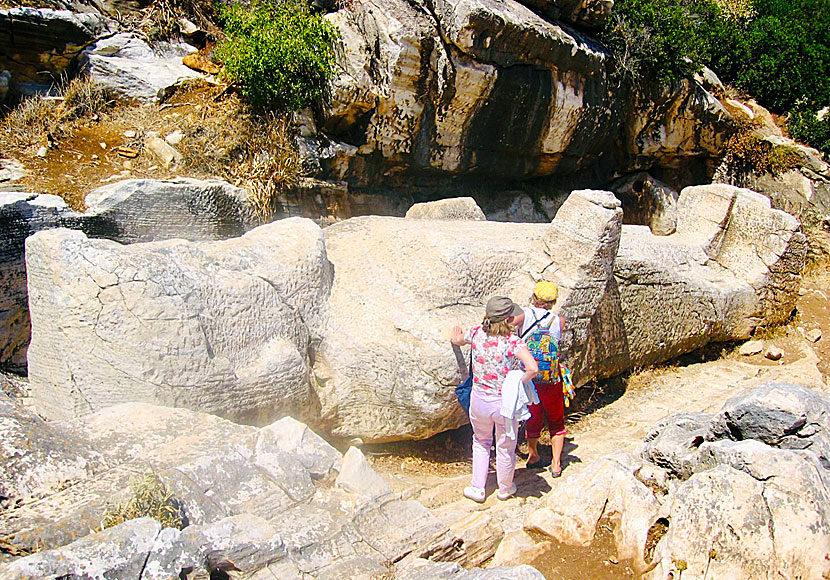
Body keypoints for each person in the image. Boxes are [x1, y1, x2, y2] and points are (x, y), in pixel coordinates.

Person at [451, 296, 538, 502]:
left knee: (481, 441)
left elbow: (458, 340)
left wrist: (455, 336)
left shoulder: (476, 333)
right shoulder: (513, 342)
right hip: (503, 403)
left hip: (479, 400)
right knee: (505, 446)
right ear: (509, 319)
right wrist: (518, 381)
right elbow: (533, 368)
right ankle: (505, 489)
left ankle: (478, 488)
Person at [513, 281, 567, 477]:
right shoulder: (558, 321)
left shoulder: (524, 315)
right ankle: (556, 464)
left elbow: (509, 325)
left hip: (530, 377)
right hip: (551, 378)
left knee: (533, 416)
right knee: (556, 420)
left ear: (534, 297)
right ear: (553, 301)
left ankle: (533, 455)